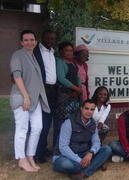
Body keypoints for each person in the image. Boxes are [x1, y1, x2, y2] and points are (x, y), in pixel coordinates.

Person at [10, 30, 50, 172]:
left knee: (37, 127)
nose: (29, 42)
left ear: (36, 42)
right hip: (22, 98)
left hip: (35, 99)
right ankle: (21, 159)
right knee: (22, 128)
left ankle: (30, 156)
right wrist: (25, 96)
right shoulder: (18, 55)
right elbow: (17, 76)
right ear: (21, 42)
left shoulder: (33, 56)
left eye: (32, 39)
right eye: (26, 40)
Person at [53, 99, 112, 180]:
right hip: (65, 156)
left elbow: (96, 142)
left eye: (92, 109)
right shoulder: (68, 122)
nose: (89, 112)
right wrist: (79, 160)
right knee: (67, 165)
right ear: (81, 109)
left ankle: (83, 173)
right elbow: (63, 147)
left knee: (107, 149)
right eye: (86, 108)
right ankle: (95, 164)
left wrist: (91, 153)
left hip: (83, 153)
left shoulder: (93, 123)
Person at [34, 30, 57, 163]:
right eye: (48, 37)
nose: (50, 40)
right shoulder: (36, 52)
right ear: (42, 37)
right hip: (42, 90)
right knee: (42, 123)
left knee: (47, 123)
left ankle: (43, 147)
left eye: (52, 38)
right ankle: (38, 152)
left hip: (53, 91)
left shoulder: (52, 52)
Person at [54, 41, 82, 147]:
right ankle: (57, 148)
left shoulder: (72, 63)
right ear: (61, 51)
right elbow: (61, 78)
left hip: (74, 97)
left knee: (72, 122)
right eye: (67, 50)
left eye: (71, 51)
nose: (69, 53)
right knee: (61, 123)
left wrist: (79, 89)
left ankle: (69, 146)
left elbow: (77, 77)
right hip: (64, 97)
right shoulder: (59, 62)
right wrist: (76, 88)